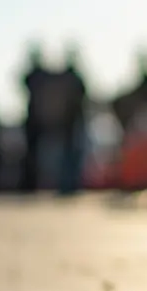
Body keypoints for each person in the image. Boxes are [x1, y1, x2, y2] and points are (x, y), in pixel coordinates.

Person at [56, 46, 88, 196]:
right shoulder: (70, 79)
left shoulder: (69, 78)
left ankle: (70, 185)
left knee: (72, 155)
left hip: (72, 122)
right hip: (67, 123)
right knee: (68, 156)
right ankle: (67, 185)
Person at [20, 44, 48, 194]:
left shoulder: (41, 76)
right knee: (31, 154)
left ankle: (38, 183)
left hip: (40, 120)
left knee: (40, 155)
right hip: (32, 120)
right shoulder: (34, 75)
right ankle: (30, 183)